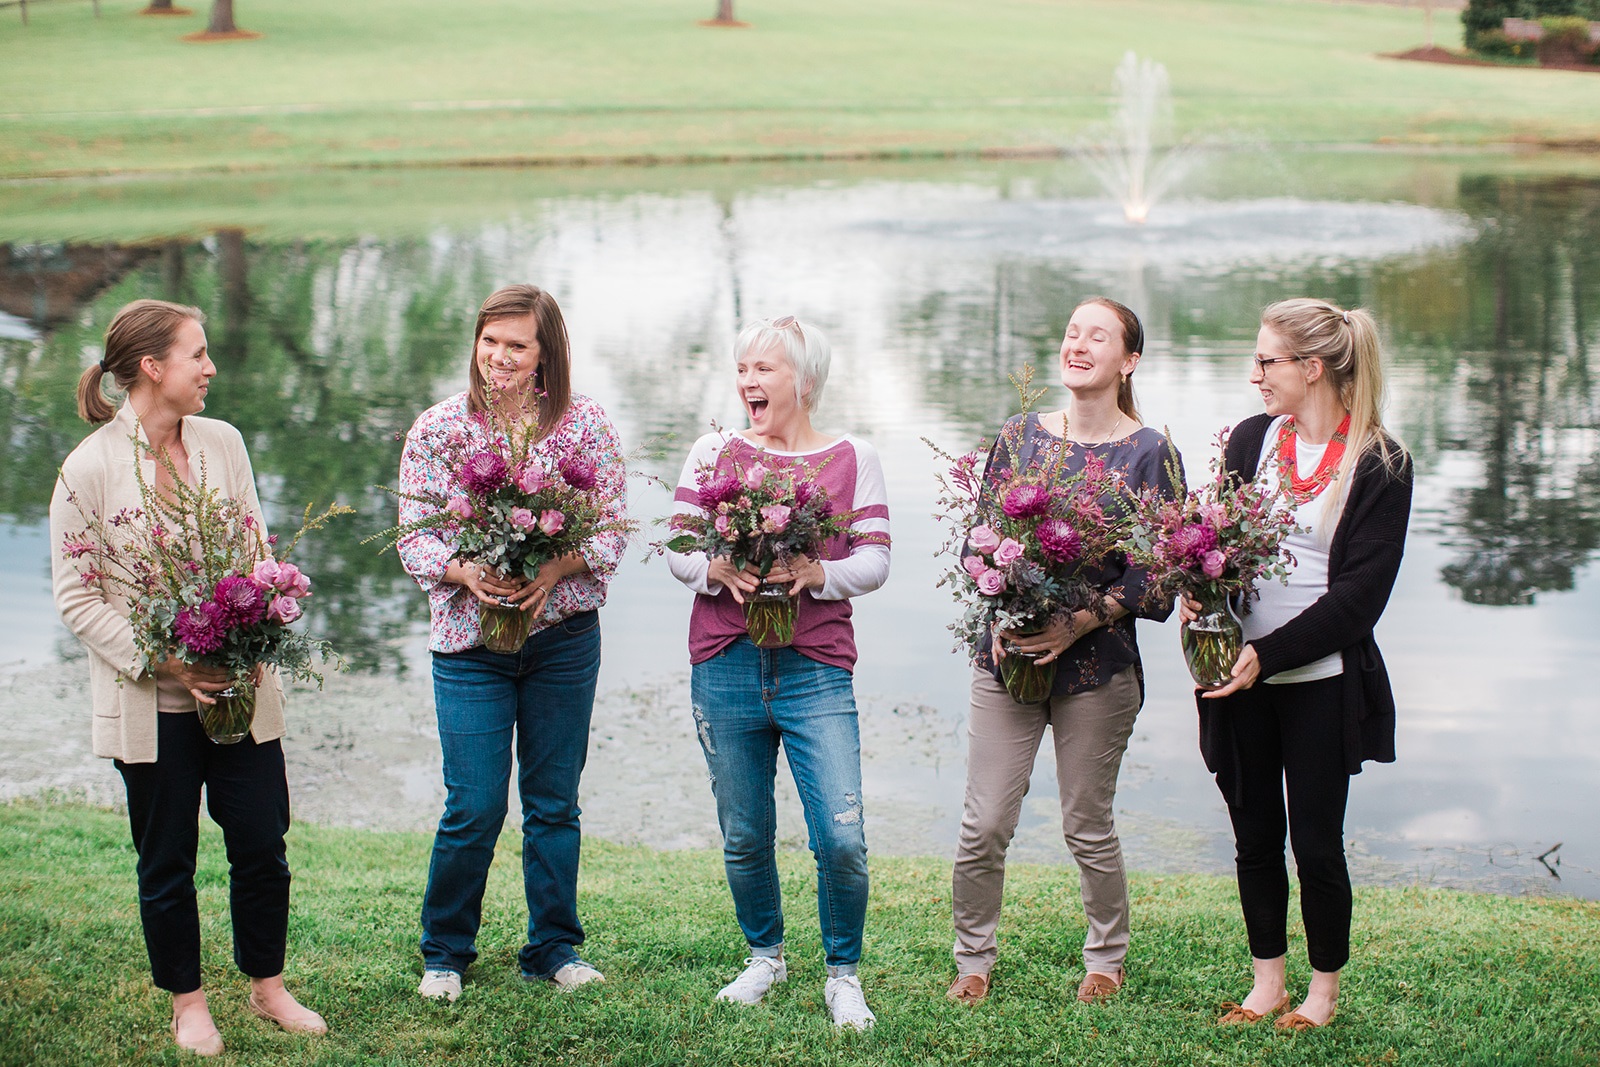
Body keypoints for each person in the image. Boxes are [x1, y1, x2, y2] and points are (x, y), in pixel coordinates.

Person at [50, 300, 326, 1057]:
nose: (209, 369)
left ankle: (268, 988)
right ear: (152, 366)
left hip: (238, 691)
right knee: (167, 856)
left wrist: (259, 620)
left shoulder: (222, 443)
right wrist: (161, 659)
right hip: (154, 702)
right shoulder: (88, 469)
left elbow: (254, 545)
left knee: (262, 842)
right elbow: (77, 596)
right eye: (197, 355)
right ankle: (189, 1001)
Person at [396, 284, 628, 1002]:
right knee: (474, 803)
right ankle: (446, 951)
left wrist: (554, 566)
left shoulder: (584, 424)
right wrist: (466, 570)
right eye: (489, 340)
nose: (498, 356)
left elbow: (613, 527)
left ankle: (553, 947)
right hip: (469, 648)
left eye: (516, 345)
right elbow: (416, 538)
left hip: (562, 640)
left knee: (554, 801)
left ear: (543, 355)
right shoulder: (437, 429)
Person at [1186, 299, 1412, 1031]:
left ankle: (1321, 993)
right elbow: (1212, 544)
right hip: (1238, 680)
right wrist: (1198, 595)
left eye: (1266, 361)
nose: (1254, 374)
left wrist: (1267, 656)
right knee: (1254, 836)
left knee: (1315, 842)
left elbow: (1358, 601)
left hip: (1319, 683)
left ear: (1311, 368)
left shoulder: (1380, 463)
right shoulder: (1252, 440)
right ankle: (1266, 985)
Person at [947, 297, 1180, 1007]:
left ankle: (1105, 958)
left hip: (1097, 670)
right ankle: (973, 959)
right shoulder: (1019, 435)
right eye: (1072, 330)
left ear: (1128, 360)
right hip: (1008, 659)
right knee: (984, 821)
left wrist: (1079, 621)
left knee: (1086, 821)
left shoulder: (1150, 453)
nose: (1078, 343)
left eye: (1097, 336)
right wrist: (997, 587)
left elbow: (1162, 579)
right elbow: (975, 539)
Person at [666, 316, 890, 1030]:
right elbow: (676, 547)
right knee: (743, 832)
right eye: (743, 368)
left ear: (806, 379)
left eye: (765, 368)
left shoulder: (854, 455)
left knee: (843, 835)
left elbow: (875, 558)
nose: (749, 382)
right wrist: (713, 567)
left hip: (816, 671)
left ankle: (843, 974)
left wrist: (816, 571)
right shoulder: (713, 451)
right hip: (725, 665)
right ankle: (765, 955)